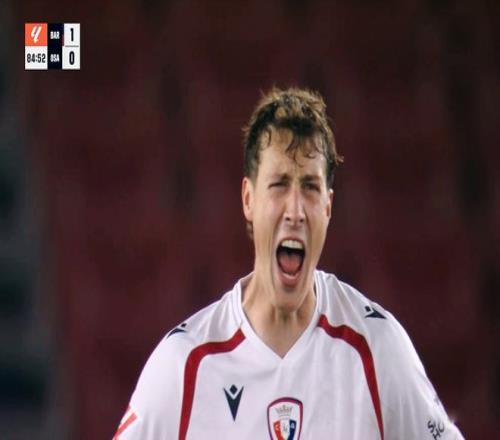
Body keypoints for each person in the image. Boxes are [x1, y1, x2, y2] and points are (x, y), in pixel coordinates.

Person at [114, 87, 464, 439]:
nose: (295, 211)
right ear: (248, 199)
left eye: (310, 187)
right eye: (280, 184)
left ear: (328, 207)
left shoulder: (376, 349)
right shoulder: (184, 366)